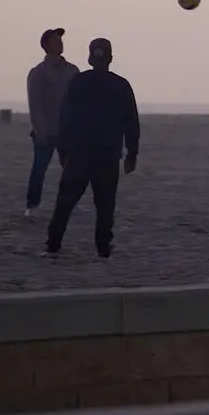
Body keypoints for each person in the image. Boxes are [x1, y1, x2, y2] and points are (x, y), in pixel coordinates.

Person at [45, 38, 140, 257]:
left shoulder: (78, 82)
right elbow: (131, 122)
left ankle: (53, 244)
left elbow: (65, 119)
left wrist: (63, 150)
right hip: (107, 153)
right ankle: (103, 247)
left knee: (65, 201)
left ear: (89, 58)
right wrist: (131, 153)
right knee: (105, 204)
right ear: (111, 59)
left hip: (80, 152)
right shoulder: (121, 85)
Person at [24, 28, 79, 217]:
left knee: (71, 171)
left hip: (67, 131)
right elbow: (35, 103)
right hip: (46, 132)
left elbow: (78, 101)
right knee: (39, 170)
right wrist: (40, 130)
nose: (60, 43)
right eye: (56, 40)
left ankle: (68, 204)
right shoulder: (38, 73)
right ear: (46, 45)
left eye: (61, 40)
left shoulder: (72, 71)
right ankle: (32, 205)